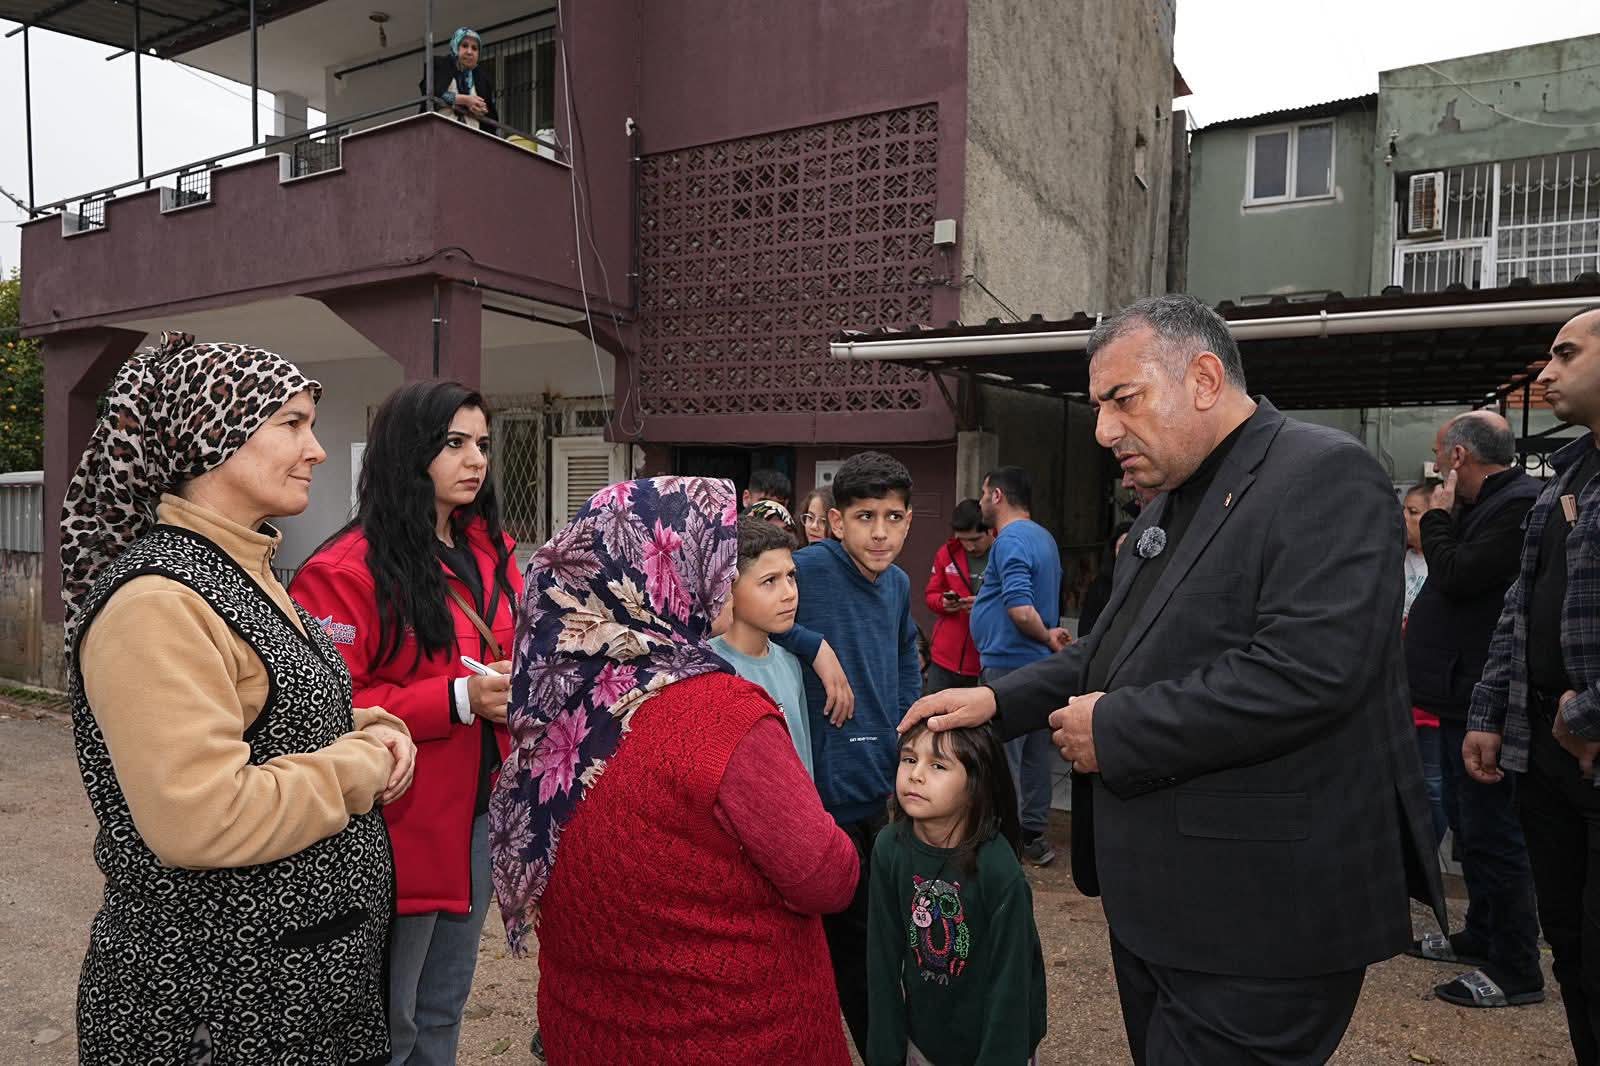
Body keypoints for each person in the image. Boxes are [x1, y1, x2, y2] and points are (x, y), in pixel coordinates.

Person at [903, 294, 1445, 1064]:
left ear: (1202, 377)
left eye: (1122, 399)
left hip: (1264, 918)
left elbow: (1311, 672)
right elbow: (1109, 653)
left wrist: (1115, 729)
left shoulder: (1324, 475)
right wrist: (997, 700)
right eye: (1098, 406)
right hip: (1163, 906)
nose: (1102, 430)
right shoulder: (1171, 501)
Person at [59, 335, 416, 1063]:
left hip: (291, 990)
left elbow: (270, 718)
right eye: (291, 423)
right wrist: (359, 769)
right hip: (216, 1011)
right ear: (209, 433)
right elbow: (201, 817)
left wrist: (370, 725)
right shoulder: (157, 600)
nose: (315, 448)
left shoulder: (243, 569)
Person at [489, 477, 859, 1064]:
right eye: (705, 554)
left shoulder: (554, 707)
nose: (718, 574)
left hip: (594, 1033)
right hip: (733, 1034)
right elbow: (825, 876)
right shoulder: (720, 712)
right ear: (663, 572)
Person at [290, 381, 522, 1065]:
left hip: (481, 813)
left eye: (481, 443)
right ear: (406, 451)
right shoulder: (343, 570)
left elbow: (500, 650)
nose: (474, 459)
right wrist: (456, 699)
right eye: (453, 443)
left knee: (443, 1009)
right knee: (387, 1026)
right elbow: (330, 703)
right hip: (397, 824)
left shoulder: (493, 550)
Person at [1465, 307, 1600, 1064]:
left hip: (1585, 738)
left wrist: (1592, 710)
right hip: (1548, 753)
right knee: (1573, 949)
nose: (1545, 373)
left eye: (1566, 354)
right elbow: (1522, 606)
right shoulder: (1564, 479)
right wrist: (1491, 708)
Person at [776, 450, 923, 1056]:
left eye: (893, 517)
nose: (881, 532)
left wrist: (911, 734)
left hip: (878, 786)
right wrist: (814, 646)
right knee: (848, 942)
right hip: (818, 792)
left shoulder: (898, 585)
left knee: (881, 934)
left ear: (910, 520)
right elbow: (739, 605)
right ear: (836, 522)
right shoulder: (805, 569)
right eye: (865, 517)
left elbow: (905, 657)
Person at [1404, 413, 1544, 1009]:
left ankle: (1516, 968)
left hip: (1483, 699)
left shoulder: (1517, 506)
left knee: (1493, 833)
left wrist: (1435, 514)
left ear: (1458, 457)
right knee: (1473, 826)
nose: (1438, 468)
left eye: (1441, 456)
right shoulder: (1486, 505)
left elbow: (1458, 573)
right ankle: (1481, 934)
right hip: (1458, 694)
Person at [866, 722, 1046, 1066]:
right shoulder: (889, 849)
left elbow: (1012, 985)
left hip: (994, 1043)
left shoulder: (997, 868)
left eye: (938, 765)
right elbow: (882, 963)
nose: (916, 775)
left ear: (975, 784)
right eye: (908, 759)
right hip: (925, 1042)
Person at [970, 466, 1070, 868]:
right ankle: (1033, 835)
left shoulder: (1009, 539)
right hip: (1040, 669)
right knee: (1034, 757)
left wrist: (1046, 635)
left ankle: (1004, 841)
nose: (979, 502)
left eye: (982, 493)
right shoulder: (1045, 538)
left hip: (1008, 667)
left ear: (997, 495)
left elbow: (1019, 606)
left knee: (1002, 756)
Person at [711, 517, 813, 776]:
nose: (789, 592)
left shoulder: (789, 663)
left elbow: (803, 760)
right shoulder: (710, 669)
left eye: (791, 576)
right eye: (770, 581)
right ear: (729, 587)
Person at [1402, 479, 1448, 850]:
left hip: (1431, 698)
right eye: (1405, 510)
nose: (1405, 519)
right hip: (1396, 689)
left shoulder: (1445, 561)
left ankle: (1428, 854)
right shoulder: (1393, 557)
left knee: (1432, 782)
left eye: (1414, 513)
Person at [923, 499, 992, 694]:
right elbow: (931, 594)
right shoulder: (947, 553)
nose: (970, 547)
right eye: (963, 540)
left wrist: (984, 606)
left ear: (990, 531)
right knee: (933, 718)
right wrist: (942, 603)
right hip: (944, 657)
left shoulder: (1004, 553)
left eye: (975, 539)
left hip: (983, 659)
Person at [422, 27, 498, 133]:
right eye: (464, 46)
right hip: (441, 132)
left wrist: (481, 110)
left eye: (475, 48)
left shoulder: (482, 78)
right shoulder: (440, 64)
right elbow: (432, 92)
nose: (470, 52)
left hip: (472, 137)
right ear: (455, 47)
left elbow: (491, 115)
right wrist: (466, 100)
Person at [1077, 521, 1133, 635]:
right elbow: (1086, 629)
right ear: (1113, 551)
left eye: (1130, 546)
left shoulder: (1146, 580)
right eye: (1121, 546)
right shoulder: (1100, 585)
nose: (1125, 552)